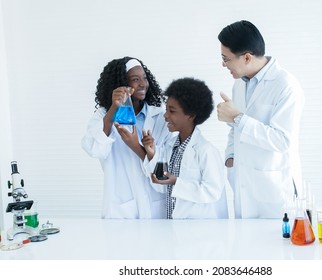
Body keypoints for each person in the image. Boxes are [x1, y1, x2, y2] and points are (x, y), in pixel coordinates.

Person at [216, 20, 305, 219]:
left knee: (277, 248)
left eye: (226, 58)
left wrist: (238, 118)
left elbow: (282, 140)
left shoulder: (286, 85)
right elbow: (234, 128)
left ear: (247, 57)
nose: (223, 64)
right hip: (244, 186)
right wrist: (230, 156)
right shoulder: (239, 85)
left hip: (274, 191)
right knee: (244, 246)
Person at [81, 56, 171, 219]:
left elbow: (165, 167)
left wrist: (137, 146)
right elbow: (95, 149)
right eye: (135, 79)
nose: (143, 84)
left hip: (156, 207)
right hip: (122, 210)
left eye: (144, 78)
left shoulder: (160, 117)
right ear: (121, 84)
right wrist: (114, 108)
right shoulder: (104, 117)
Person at [142, 77, 228, 219]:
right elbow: (162, 188)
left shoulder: (206, 151)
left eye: (172, 111)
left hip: (198, 232)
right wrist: (151, 153)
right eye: (166, 109)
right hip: (173, 226)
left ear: (191, 116)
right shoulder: (171, 147)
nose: (165, 115)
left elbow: (212, 192)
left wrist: (176, 182)